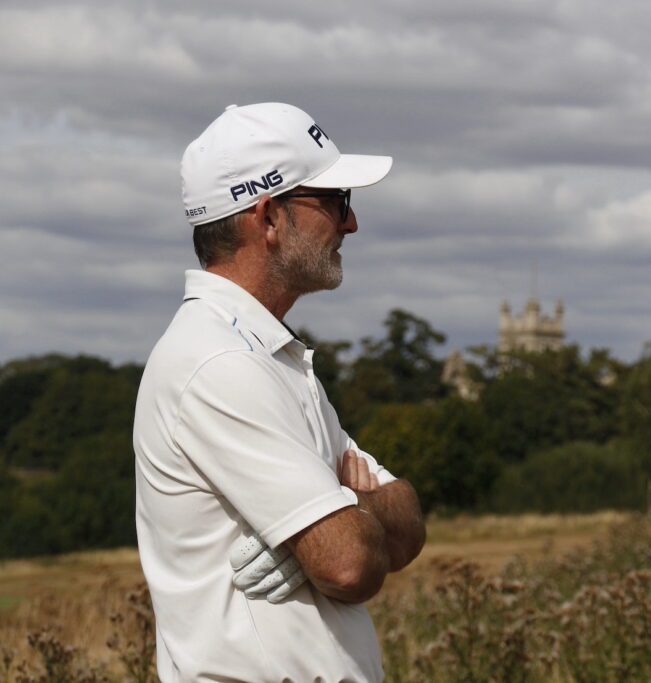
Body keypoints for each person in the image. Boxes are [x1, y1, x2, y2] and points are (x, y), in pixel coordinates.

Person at [133, 102, 426, 682]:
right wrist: (346, 519)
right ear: (268, 217)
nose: (351, 223)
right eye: (335, 200)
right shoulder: (220, 363)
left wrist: (348, 511)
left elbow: (408, 525)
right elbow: (349, 564)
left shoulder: (269, 356)